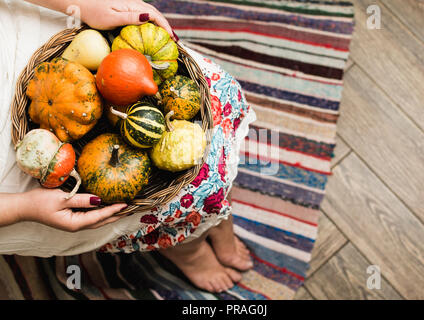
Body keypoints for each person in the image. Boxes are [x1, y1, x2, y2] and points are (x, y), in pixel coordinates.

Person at [0, 0, 254, 293]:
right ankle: (187, 249)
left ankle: (216, 217)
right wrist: (22, 208)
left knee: (213, 112)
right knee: (175, 196)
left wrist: (81, 6)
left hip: (34, 37)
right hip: (22, 167)